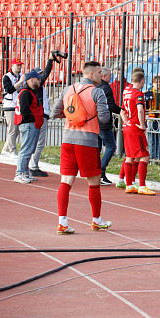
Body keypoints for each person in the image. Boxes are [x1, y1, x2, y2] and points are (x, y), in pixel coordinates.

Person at [51, 61, 112, 235]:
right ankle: (96, 220)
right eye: (100, 72)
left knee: (66, 181)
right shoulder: (97, 92)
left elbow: (56, 112)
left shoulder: (68, 89)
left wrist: (74, 115)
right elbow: (105, 118)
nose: (102, 75)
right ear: (91, 74)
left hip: (67, 139)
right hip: (87, 140)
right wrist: (86, 115)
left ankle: (62, 221)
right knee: (93, 182)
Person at [121, 72, 156, 196]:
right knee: (144, 155)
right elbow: (140, 110)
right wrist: (142, 124)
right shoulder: (138, 93)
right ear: (142, 81)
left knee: (130, 155)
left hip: (127, 126)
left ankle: (129, 185)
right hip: (135, 127)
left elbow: (122, 110)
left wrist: (126, 121)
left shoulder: (126, 91)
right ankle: (142, 185)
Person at [27, 54, 57, 178]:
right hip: (40, 116)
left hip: (42, 116)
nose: (40, 78)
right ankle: (32, 166)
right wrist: (50, 60)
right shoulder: (37, 87)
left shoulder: (39, 87)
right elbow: (46, 73)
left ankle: (32, 166)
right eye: (38, 76)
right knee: (37, 143)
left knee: (37, 143)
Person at [13, 70, 44, 184]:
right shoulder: (26, 93)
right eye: (38, 79)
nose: (39, 81)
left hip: (31, 124)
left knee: (29, 149)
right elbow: (24, 110)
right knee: (26, 149)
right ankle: (20, 173)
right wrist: (34, 119)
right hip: (29, 124)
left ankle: (25, 172)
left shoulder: (30, 92)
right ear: (31, 80)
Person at [96, 67, 121, 185]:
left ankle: (96, 172)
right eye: (110, 75)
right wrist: (121, 110)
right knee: (111, 147)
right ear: (103, 76)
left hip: (95, 121)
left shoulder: (95, 87)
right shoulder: (106, 88)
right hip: (104, 123)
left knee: (97, 148)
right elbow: (110, 105)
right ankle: (100, 172)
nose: (111, 77)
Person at [1, 57, 26, 157]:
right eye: (17, 65)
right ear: (12, 66)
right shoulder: (6, 77)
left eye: (20, 65)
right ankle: (12, 150)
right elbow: (9, 89)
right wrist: (20, 82)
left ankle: (5, 148)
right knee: (12, 129)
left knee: (18, 129)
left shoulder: (21, 76)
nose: (19, 67)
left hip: (18, 105)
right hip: (10, 105)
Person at [145, 75, 160, 160]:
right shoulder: (150, 92)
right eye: (156, 82)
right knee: (152, 139)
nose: (158, 84)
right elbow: (146, 106)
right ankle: (152, 156)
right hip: (151, 117)